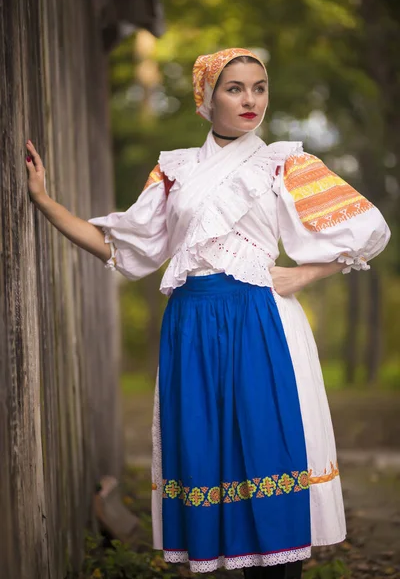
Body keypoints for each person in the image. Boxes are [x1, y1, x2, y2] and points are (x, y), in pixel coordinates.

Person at [25, 48, 390, 578]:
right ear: (206, 97)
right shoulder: (174, 171)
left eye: (259, 88)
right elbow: (123, 249)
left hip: (261, 319)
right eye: (235, 88)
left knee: (268, 451)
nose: (250, 100)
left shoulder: (284, 162)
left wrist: (304, 274)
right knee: (207, 458)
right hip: (192, 324)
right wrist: (45, 201)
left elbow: (367, 229)